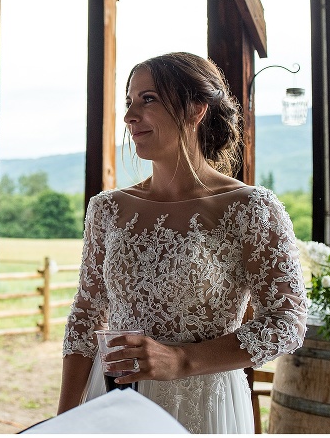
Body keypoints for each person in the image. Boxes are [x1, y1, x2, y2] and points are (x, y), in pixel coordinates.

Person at [57, 52, 307, 433]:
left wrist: (181, 360)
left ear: (196, 109)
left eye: (148, 99)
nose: (129, 116)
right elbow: (85, 316)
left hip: (205, 407)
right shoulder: (107, 209)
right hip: (113, 402)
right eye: (129, 101)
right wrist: (63, 421)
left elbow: (287, 322)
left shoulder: (251, 209)